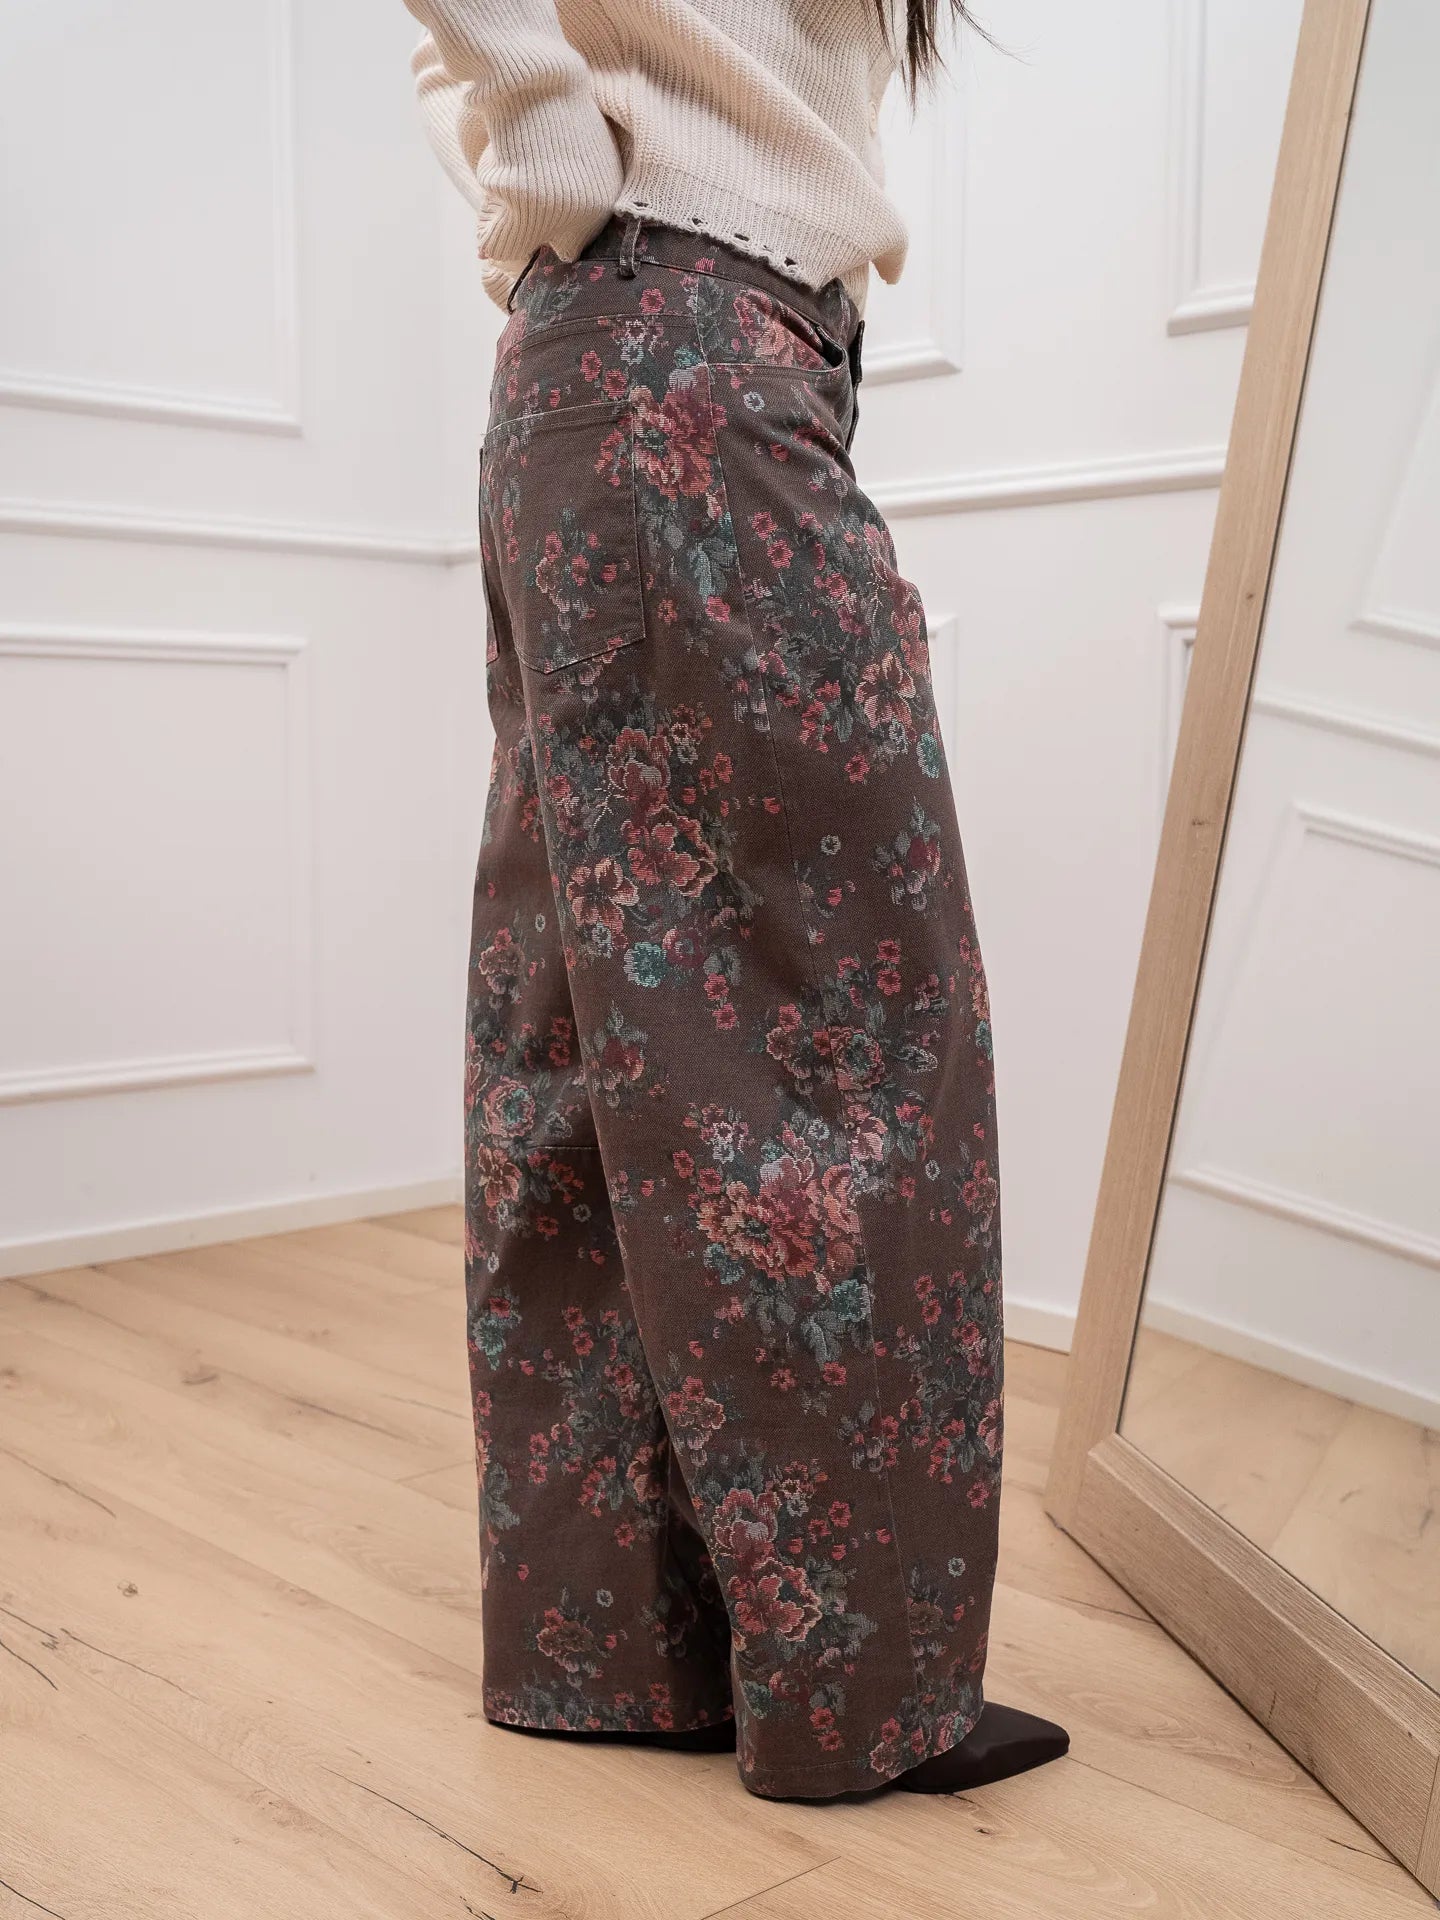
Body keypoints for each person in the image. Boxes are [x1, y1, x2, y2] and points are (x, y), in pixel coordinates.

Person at [403, 0, 1069, 1801]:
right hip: (688, 347)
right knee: (853, 1016)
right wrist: (547, 143)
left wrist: (550, 186)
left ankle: (614, 1651)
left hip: (606, 371)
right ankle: (859, 1693)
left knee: (582, 1008)